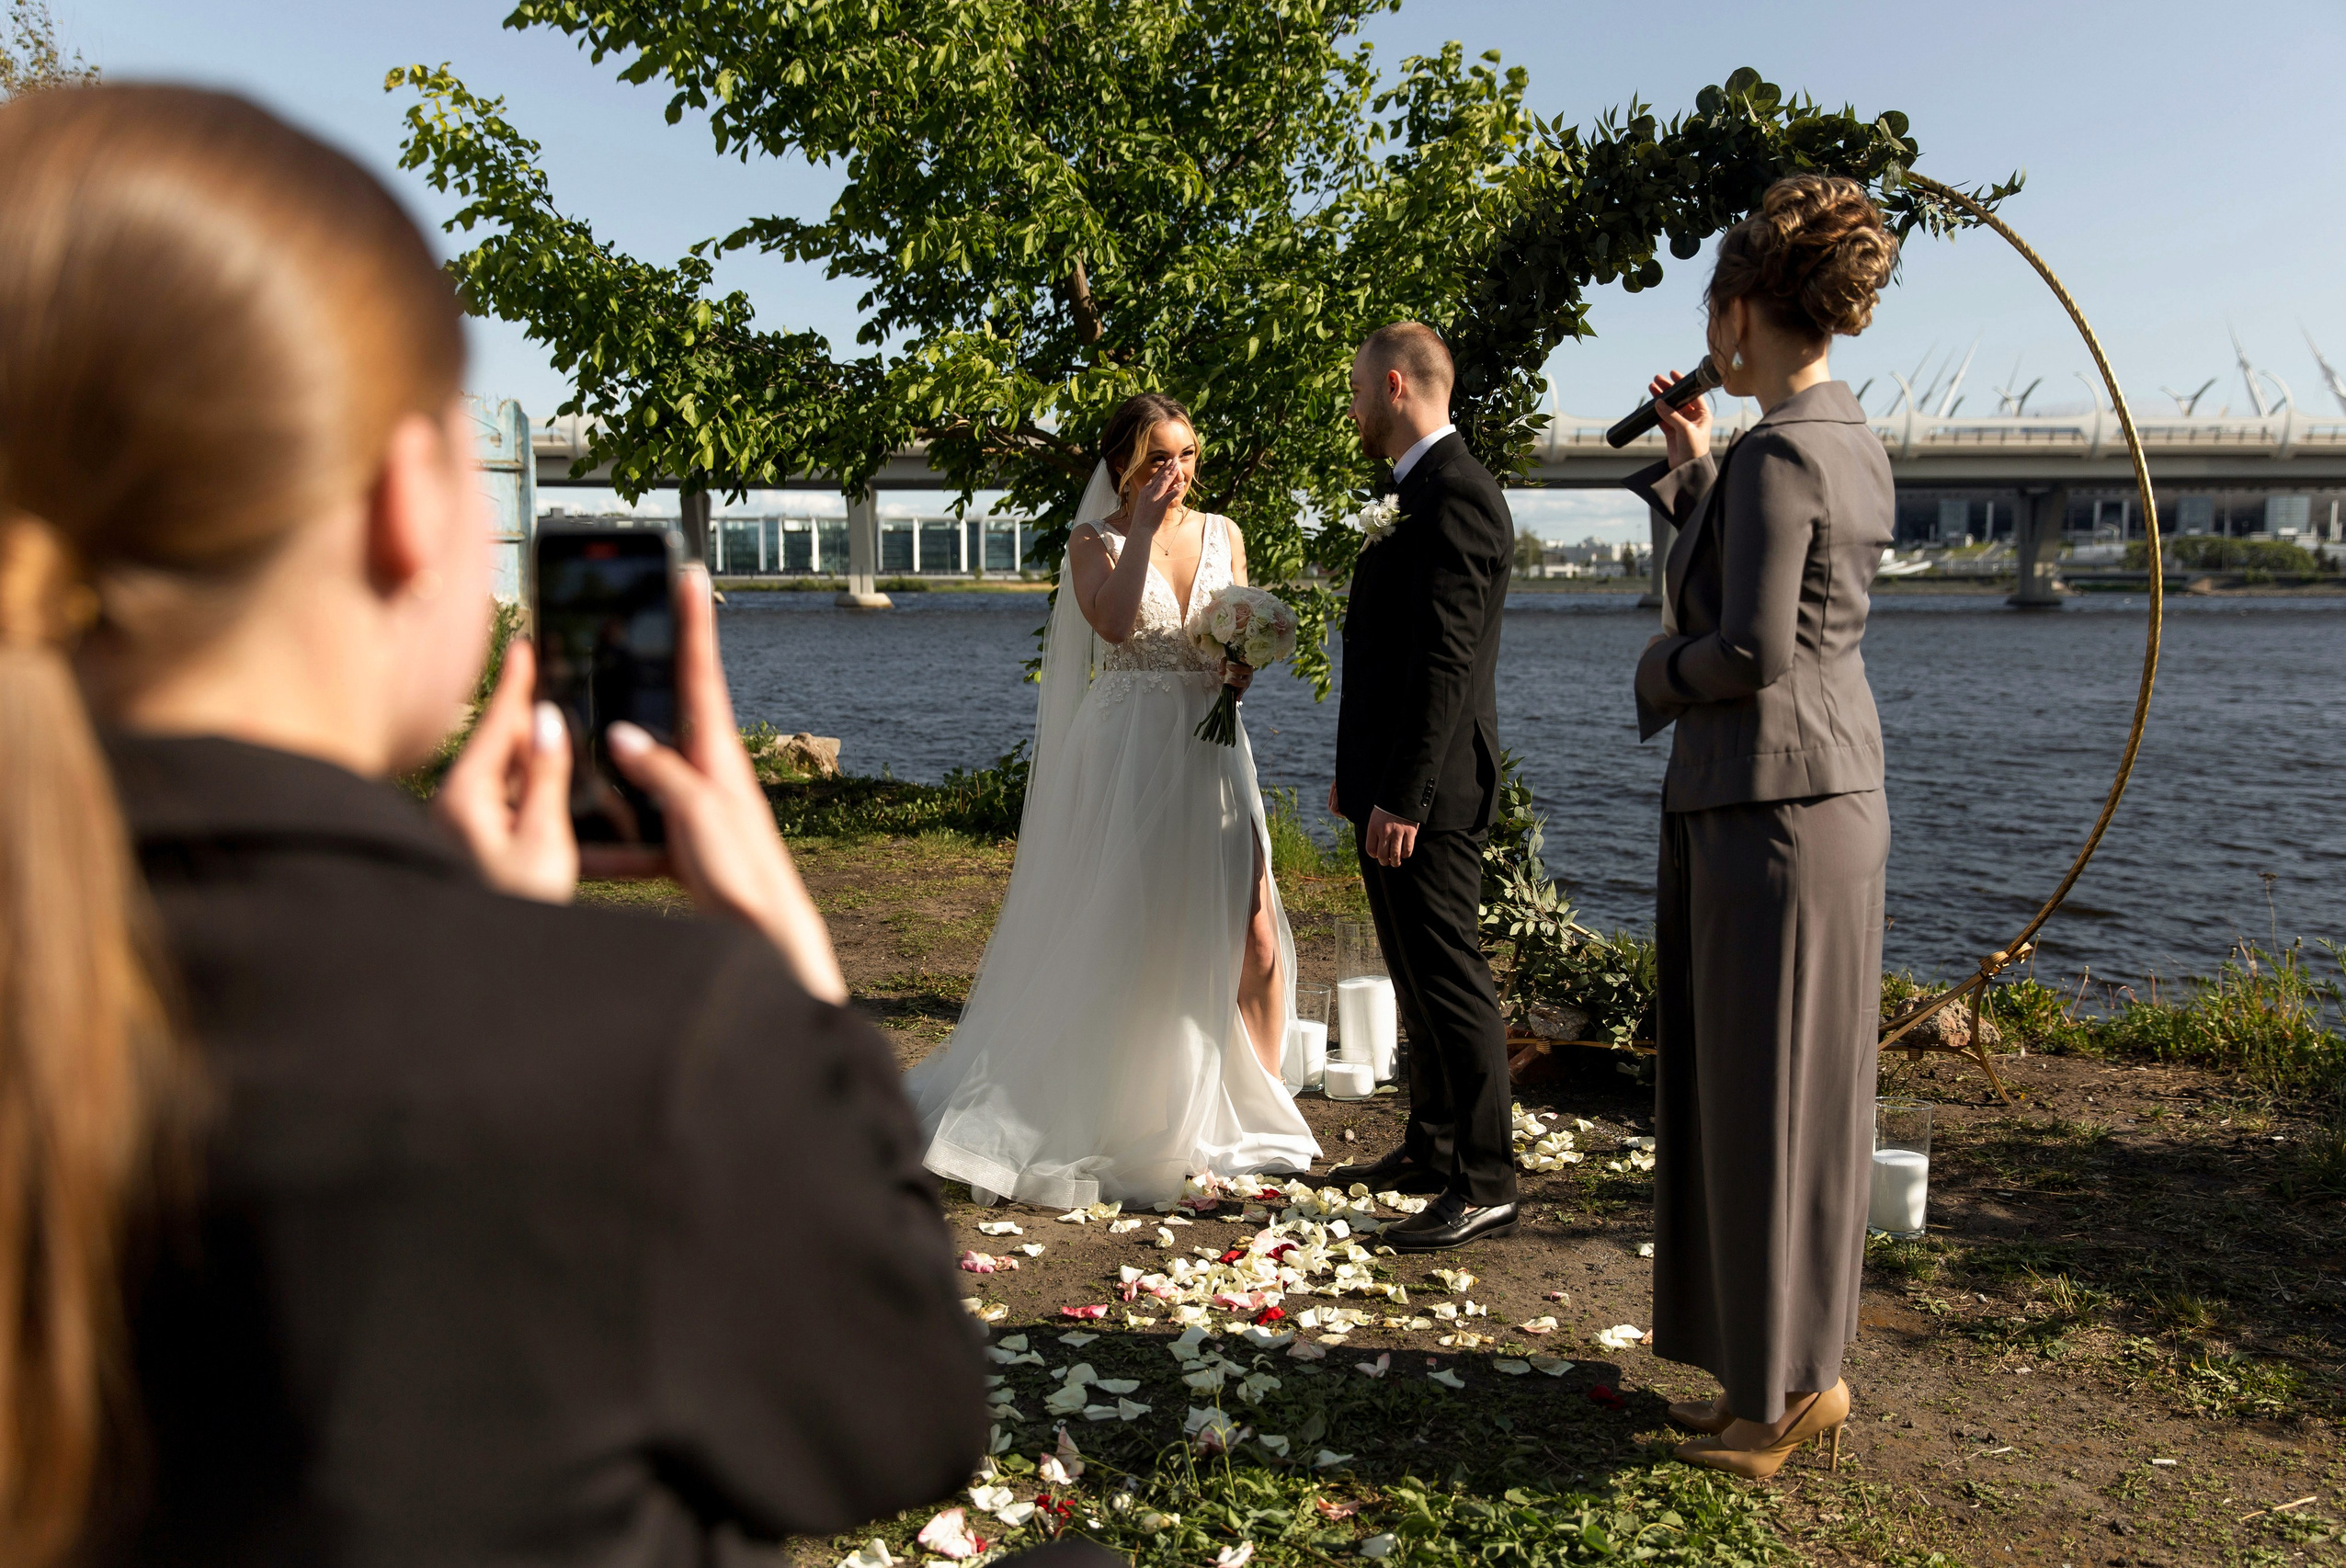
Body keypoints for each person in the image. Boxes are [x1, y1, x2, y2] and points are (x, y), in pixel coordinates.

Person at [0, 85, 985, 1566]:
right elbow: (908, 1419)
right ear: (409, 500)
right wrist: (782, 982)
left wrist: (477, 952)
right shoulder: (656, 1048)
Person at [1624, 173, 1899, 1480]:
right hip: (1814, 800)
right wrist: (1692, 478)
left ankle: (1775, 1400)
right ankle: (1790, 1375)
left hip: (1770, 806)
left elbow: (1745, 646)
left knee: (1762, 1097)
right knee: (1795, 1096)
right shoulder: (1839, 438)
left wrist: (1649, 674)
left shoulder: (1784, 451)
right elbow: (1766, 601)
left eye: (1715, 316)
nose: (1709, 341)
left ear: (1741, 313)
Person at [904, 394, 1320, 1209]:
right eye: (1161, 458)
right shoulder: (1093, 541)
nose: (1180, 472)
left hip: (1212, 744)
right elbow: (1119, 625)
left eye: (1190, 455)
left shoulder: (1223, 533)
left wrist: (1242, 665)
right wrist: (1141, 531)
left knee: (1256, 932)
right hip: (1130, 744)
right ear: (1125, 465)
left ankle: (1260, 1114)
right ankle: (1115, 1106)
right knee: (1129, 926)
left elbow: (1230, 630)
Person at [1325, 324, 1519, 1254]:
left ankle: (1485, 1178)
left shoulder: (1458, 499)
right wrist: (1354, 782)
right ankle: (1431, 1145)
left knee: (1451, 979)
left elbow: (1444, 662)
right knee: (1412, 971)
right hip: (1391, 785)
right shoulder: (1414, 493)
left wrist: (1400, 793)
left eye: (1359, 391)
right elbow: (1387, 660)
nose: (1353, 408)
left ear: (1395, 386)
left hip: (1430, 790)